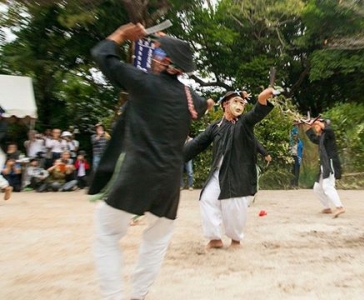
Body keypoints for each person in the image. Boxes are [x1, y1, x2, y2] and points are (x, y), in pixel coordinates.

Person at [89, 23, 208, 300]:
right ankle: (139, 295)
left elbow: (102, 54)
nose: (151, 53)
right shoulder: (191, 98)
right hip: (169, 181)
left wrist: (120, 35)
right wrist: (170, 46)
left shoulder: (142, 83)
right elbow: (200, 105)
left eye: (156, 51)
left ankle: (113, 296)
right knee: (156, 241)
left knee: (106, 233)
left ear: (166, 61)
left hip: (137, 174)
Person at [184, 88, 275, 250]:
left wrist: (262, 99)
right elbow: (196, 145)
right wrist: (174, 157)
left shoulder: (245, 123)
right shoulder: (216, 127)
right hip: (218, 174)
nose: (239, 105)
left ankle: (235, 240)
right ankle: (214, 239)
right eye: (235, 101)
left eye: (241, 102)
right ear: (225, 105)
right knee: (207, 199)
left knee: (234, 206)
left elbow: (257, 113)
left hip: (239, 174)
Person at [304, 118, 345, 218]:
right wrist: (309, 128)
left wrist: (316, 122)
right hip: (324, 165)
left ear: (324, 125)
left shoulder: (329, 134)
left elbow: (328, 129)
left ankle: (339, 207)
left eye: (318, 125)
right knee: (317, 188)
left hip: (330, 163)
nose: (316, 126)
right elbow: (313, 139)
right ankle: (327, 208)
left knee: (328, 186)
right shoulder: (322, 137)